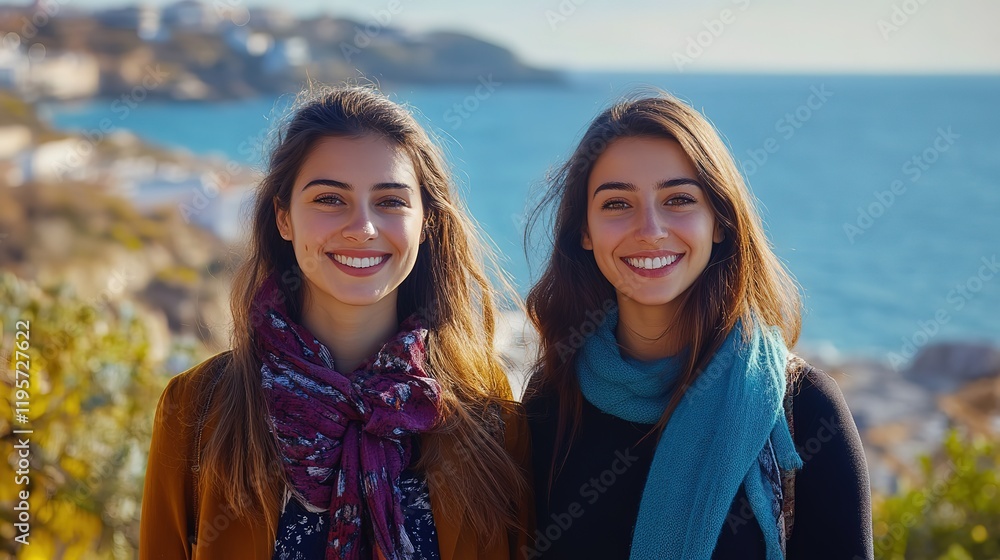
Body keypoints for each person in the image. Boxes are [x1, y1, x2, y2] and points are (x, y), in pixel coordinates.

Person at [139, 85, 532, 560]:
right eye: (329, 199)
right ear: (284, 218)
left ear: (426, 222)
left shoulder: (485, 413)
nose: (362, 228)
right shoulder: (197, 409)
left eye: (390, 201)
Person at [521, 92, 873, 560]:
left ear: (720, 222)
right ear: (584, 231)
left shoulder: (804, 408)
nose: (650, 230)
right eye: (617, 203)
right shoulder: (553, 397)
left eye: (679, 199)